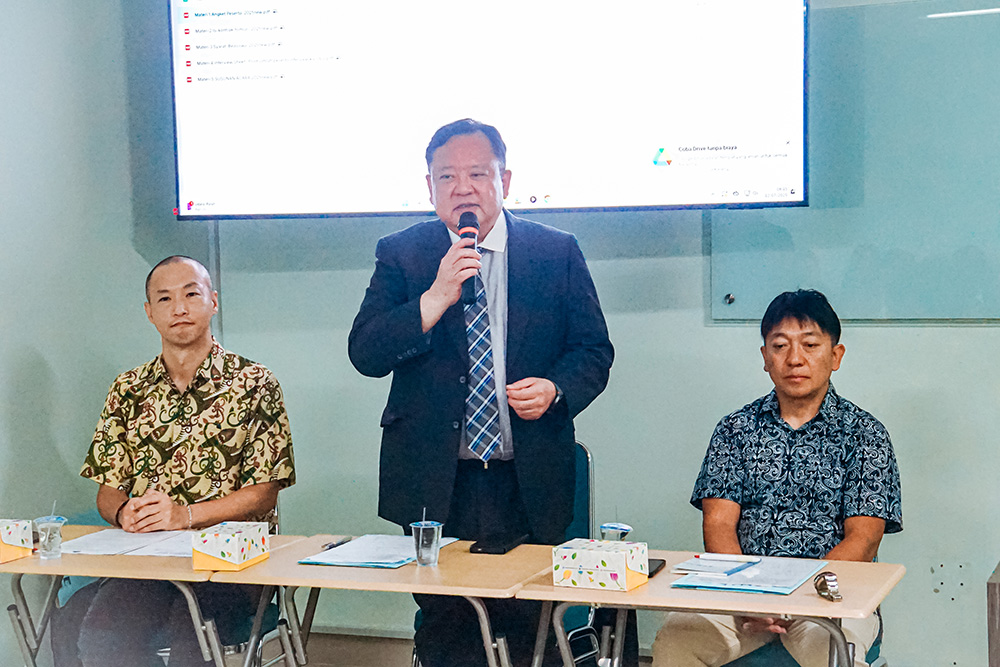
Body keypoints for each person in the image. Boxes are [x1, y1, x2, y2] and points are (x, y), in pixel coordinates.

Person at [349, 119, 614, 666]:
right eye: (447, 176)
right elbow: (366, 352)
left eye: (476, 174)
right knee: (447, 627)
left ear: (504, 180)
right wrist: (434, 298)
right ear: (429, 187)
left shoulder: (554, 251)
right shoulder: (403, 254)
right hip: (437, 478)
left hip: (526, 474)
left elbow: (593, 351)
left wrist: (556, 388)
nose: (462, 188)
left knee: (527, 625)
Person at [652, 289, 902, 667]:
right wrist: (748, 596)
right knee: (676, 640)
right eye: (780, 346)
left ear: (836, 356)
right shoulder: (735, 429)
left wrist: (797, 599)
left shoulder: (865, 434)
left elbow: (864, 539)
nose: (795, 358)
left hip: (827, 597)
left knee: (832, 654)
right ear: (765, 357)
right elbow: (718, 523)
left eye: (810, 345)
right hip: (742, 595)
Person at [68, 255, 296, 667]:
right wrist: (123, 513)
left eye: (191, 294)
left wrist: (184, 516)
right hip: (150, 561)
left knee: (191, 635)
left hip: (230, 563)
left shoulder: (254, 382)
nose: (179, 308)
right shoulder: (128, 388)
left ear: (213, 301)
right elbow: (108, 491)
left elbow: (264, 492)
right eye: (165, 299)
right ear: (149, 312)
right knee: (99, 632)